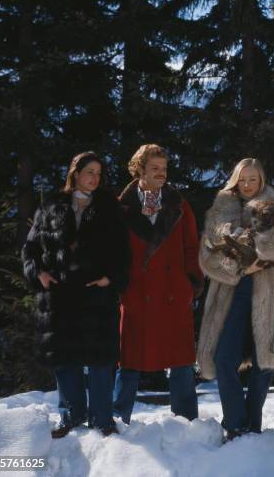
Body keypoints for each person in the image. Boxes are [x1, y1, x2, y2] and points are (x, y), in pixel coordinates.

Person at [197, 158, 274, 441]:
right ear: (235, 180)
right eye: (243, 179)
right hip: (232, 294)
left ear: (262, 180)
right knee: (225, 359)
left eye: (253, 179)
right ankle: (235, 423)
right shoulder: (221, 210)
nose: (248, 185)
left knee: (266, 363)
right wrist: (240, 266)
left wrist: (255, 249)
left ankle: (253, 423)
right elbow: (207, 257)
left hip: (272, 295)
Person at [22, 152, 129, 438]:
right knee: (65, 359)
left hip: (96, 294)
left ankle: (103, 419)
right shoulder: (51, 206)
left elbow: (123, 252)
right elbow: (30, 249)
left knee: (99, 361)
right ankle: (71, 415)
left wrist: (112, 279)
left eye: (98, 173)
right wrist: (39, 274)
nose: (94, 178)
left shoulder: (110, 208)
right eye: (89, 172)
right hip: (60, 295)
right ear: (75, 173)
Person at [113, 144, 203, 423]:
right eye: (155, 168)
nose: (161, 174)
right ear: (139, 169)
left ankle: (186, 420)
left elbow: (191, 246)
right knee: (128, 359)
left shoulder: (179, 205)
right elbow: (112, 250)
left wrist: (192, 284)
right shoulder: (122, 207)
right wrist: (121, 286)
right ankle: (118, 416)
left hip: (173, 292)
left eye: (164, 169)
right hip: (136, 293)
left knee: (181, 360)